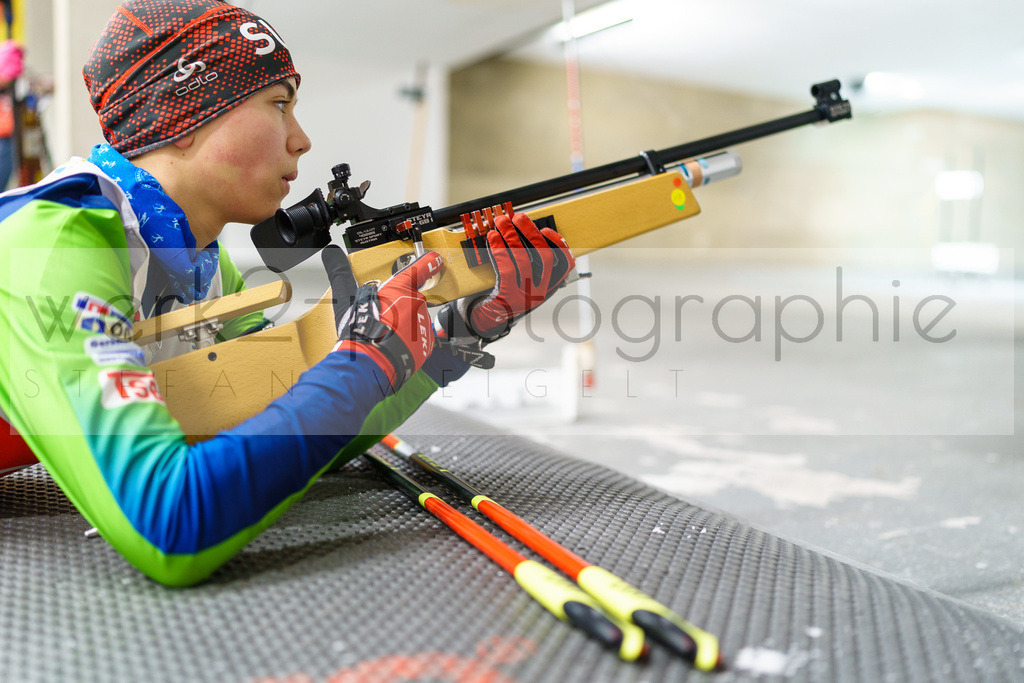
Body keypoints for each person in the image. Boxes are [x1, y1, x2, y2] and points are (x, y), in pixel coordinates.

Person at [0, 0, 574, 586]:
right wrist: (362, 363)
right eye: (278, 104)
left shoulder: (198, 260)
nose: (300, 140)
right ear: (187, 117)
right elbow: (170, 528)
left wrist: (456, 333)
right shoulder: (56, 245)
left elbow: (285, 427)